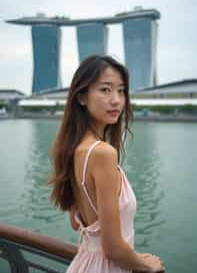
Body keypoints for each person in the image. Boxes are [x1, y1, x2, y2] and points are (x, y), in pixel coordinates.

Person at [49, 55, 165, 272]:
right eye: (105, 90)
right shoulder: (103, 153)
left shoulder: (73, 149)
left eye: (121, 90)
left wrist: (132, 255)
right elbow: (112, 248)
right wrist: (148, 266)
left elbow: (78, 222)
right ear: (82, 97)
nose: (116, 100)